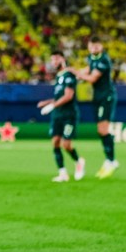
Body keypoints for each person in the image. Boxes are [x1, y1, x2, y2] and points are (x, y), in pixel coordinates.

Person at [73, 36, 119, 179]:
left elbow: (93, 78)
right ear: (88, 46)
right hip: (98, 97)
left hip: (106, 97)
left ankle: (111, 160)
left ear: (101, 46)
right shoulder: (92, 58)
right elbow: (89, 69)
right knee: (101, 130)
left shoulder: (104, 59)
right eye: (92, 46)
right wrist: (78, 73)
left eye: (97, 45)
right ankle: (110, 159)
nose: (94, 48)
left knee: (103, 129)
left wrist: (77, 74)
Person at [38, 51, 85, 182]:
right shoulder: (58, 77)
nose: (54, 62)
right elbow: (59, 96)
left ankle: (79, 161)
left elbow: (68, 96)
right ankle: (63, 173)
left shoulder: (69, 75)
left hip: (69, 115)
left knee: (66, 144)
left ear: (63, 59)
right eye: (52, 59)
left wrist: (52, 106)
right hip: (57, 114)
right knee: (55, 142)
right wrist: (48, 102)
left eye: (56, 59)